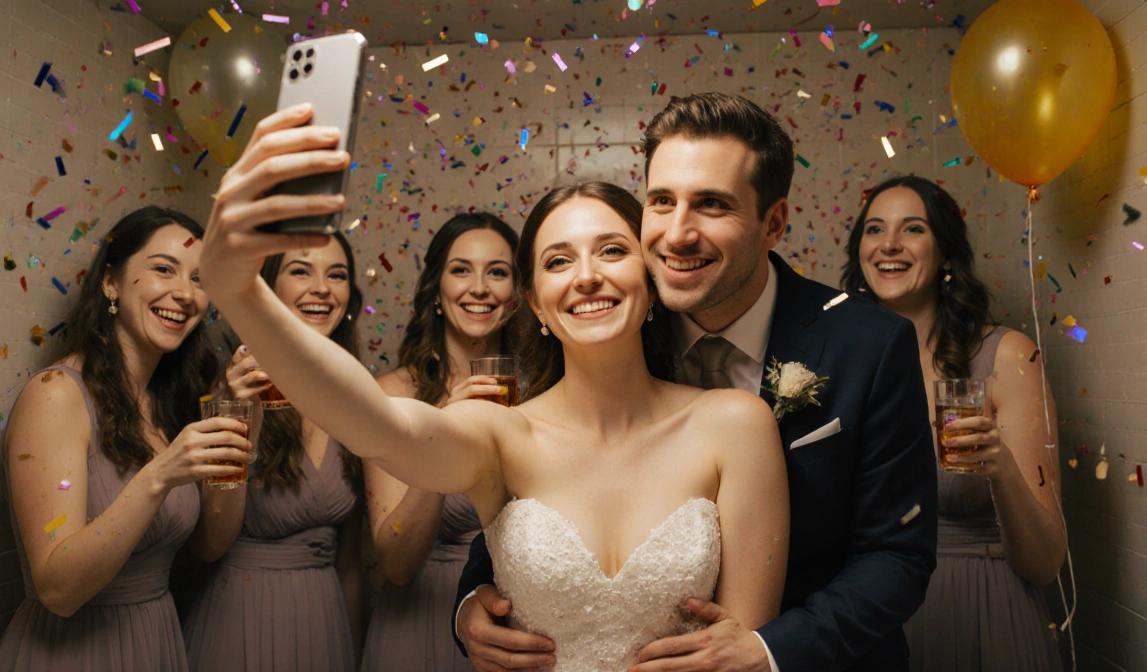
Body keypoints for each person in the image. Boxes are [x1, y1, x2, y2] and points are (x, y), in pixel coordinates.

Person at [197, 104, 790, 670]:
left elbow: (743, 647)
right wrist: (239, 292)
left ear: (651, 275)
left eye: (612, 250)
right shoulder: (499, 434)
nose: (586, 277)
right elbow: (374, 422)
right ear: (535, 303)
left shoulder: (735, 424)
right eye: (558, 262)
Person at [455, 92, 939, 672]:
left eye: (711, 205)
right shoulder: (614, 319)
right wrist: (470, 605)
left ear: (773, 223)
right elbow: (540, 500)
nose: (678, 234)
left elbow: (897, 556)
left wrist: (768, 650)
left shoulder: (870, 344)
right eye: (662, 201)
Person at [0, 207, 250, 671]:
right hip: (73, 651)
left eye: (199, 279)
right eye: (163, 269)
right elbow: (57, 590)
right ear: (111, 282)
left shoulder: (169, 404)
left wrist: (234, 412)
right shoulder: (56, 397)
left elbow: (213, 544)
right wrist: (158, 477)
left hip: (154, 640)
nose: (184, 293)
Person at [842, 175, 1066, 671]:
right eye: (875, 229)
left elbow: (1046, 564)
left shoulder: (1005, 357)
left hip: (979, 616)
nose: (890, 244)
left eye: (913, 229)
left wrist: (1000, 467)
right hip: (866, 620)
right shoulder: (839, 364)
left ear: (946, 254)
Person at [181, 232, 365, 672]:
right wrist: (243, 413)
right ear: (267, 288)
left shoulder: (358, 397)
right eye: (300, 270)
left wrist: (354, 653)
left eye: (336, 274)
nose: (321, 287)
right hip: (239, 618)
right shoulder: (224, 388)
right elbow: (207, 544)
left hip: (326, 623)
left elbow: (351, 561)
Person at [362, 212, 519, 672]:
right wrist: (443, 430)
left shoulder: (548, 390)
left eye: (498, 271)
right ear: (435, 289)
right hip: (420, 623)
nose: (480, 287)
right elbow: (396, 564)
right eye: (461, 269)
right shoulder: (392, 396)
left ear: (517, 294)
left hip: (517, 625)